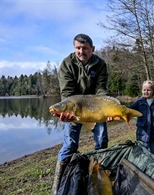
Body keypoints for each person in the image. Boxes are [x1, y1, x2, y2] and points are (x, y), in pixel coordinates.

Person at [52, 34, 111, 194]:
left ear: (92, 49)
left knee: (102, 141)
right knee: (70, 145)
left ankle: (99, 179)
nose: (81, 51)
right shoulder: (67, 64)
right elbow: (67, 92)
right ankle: (58, 185)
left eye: (84, 48)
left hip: (95, 107)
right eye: (78, 48)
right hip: (74, 108)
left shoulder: (100, 63)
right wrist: (69, 111)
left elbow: (101, 89)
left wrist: (105, 108)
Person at [128, 80, 154, 154]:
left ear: (153, 91)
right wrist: (121, 108)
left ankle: (152, 159)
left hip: (153, 129)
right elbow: (130, 109)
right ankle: (145, 160)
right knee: (144, 146)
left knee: (151, 145)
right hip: (143, 129)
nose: (146, 92)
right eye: (144, 90)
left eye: (148, 90)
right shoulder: (139, 102)